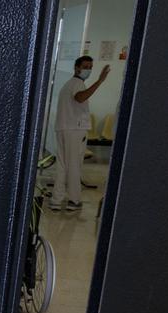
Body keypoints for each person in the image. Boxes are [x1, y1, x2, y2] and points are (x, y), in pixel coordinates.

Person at [50, 56, 110, 211]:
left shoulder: (68, 84)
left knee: (63, 166)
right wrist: (100, 81)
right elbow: (80, 98)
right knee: (74, 165)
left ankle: (56, 200)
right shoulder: (77, 84)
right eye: (85, 66)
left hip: (63, 129)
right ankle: (74, 200)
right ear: (76, 68)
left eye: (90, 66)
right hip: (74, 131)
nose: (88, 69)